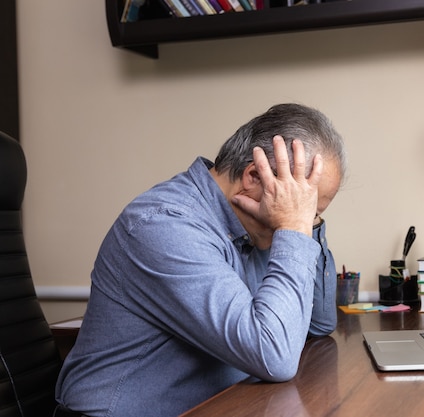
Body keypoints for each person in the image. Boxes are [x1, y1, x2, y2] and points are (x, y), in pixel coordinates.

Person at [55, 103, 347, 417]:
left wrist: (303, 224)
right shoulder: (164, 226)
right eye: (304, 205)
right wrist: (294, 226)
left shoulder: (260, 226)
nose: (306, 219)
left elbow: (318, 323)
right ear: (253, 175)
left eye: (311, 211)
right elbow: (274, 356)